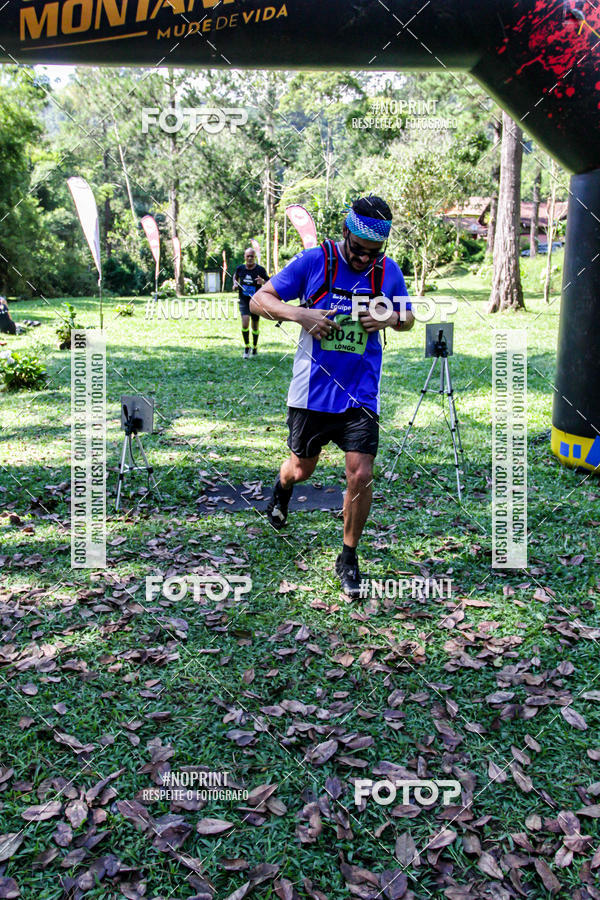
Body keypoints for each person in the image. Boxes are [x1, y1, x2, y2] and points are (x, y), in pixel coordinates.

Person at [250, 196, 415, 598]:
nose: (363, 260)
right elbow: (259, 301)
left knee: (360, 473)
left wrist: (389, 318)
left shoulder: (386, 271)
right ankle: (282, 487)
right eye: (358, 250)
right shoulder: (314, 262)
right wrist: (300, 314)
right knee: (301, 468)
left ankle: (349, 556)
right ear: (344, 233)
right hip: (311, 392)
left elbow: (408, 316)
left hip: (360, 393)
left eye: (373, 253)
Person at [233, 249, 269, 359]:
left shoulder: (260, 270)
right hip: (244, 300)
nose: (250, 258)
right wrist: (235, 283)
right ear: (244, 257)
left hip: (256, 301)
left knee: (255, 326)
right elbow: (235, 276)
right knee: (245, 323)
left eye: (252, 256)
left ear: (254, 257)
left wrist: (263, 282)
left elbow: (270, 283)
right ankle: (247, 347)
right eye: (248, 256)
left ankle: (255, 346)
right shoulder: (240, 268)